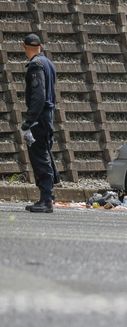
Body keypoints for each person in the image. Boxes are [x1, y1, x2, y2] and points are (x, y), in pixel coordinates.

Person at [21, 33, 58, 213]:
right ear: (40, 46)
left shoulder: (35, 65)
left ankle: (46, 200)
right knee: (45, 154)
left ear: (25, 47)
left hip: (39, 118)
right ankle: (48, 196)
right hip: (48, 116)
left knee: (40, 158)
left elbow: (39, 96)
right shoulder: (49, 63)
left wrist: (29, 122)